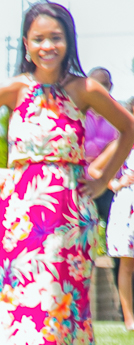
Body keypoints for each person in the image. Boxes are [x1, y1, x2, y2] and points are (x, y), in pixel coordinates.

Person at [0, 2, 134, 345]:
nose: (48, 45)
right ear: (26, 44)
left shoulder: (85, 89)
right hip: (19, 211)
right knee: (17, 302)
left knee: (62, 302)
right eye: (39, 38)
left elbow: (129, 128)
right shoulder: (15, 89)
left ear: (68, 41)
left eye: (56, 37)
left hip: (68, 210)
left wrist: (103, 174)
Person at [84, 68, 123, 294]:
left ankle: (125, 308)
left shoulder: (118, 115)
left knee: (119, 247)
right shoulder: (78, 112)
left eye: (104, 85)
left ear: (110, 87)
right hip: (83, 186)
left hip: (110, 187)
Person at [100, 101, 134, 330]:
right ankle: (130, 319)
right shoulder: (122, 143)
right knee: (127, 264)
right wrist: (115, 183)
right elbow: (94, 169)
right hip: (128, 205)